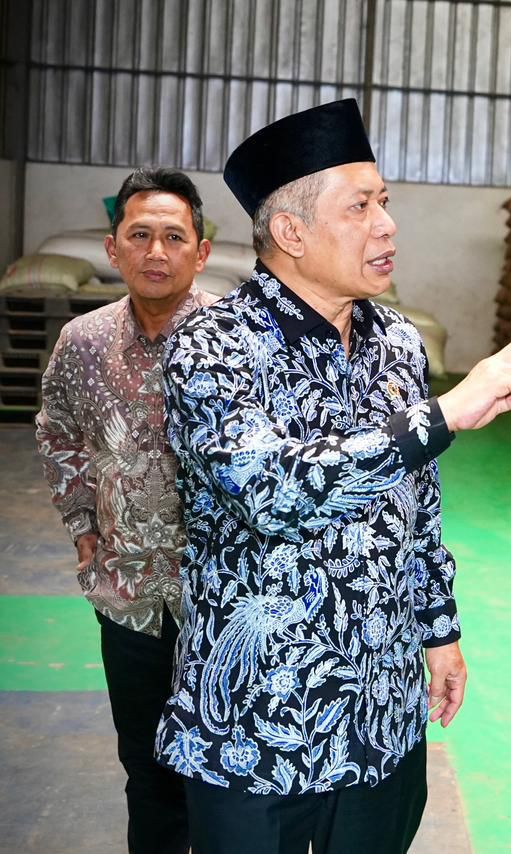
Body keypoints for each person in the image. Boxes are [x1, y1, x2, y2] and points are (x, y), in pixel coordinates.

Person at [154, 99, 511, 853]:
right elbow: (272, 490)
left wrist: (440, 634)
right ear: (290, 232)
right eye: (360, 206)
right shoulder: (212, 346)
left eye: (386, 202)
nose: (387, 224)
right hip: (260, 726)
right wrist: (440, 416)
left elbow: (419, 510)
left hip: (379, 719)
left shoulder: (397, 341)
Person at [35, 166, 217, 853]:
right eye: (139, 235)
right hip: (129, 593)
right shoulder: (82, 345)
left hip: (224, 601)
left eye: (174, 236)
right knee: (146, 769)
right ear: (114, 249)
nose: (156, 252)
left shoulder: (236, 339)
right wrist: (82, 522)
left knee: (225, 774)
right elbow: (57, 431)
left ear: (200, 251)